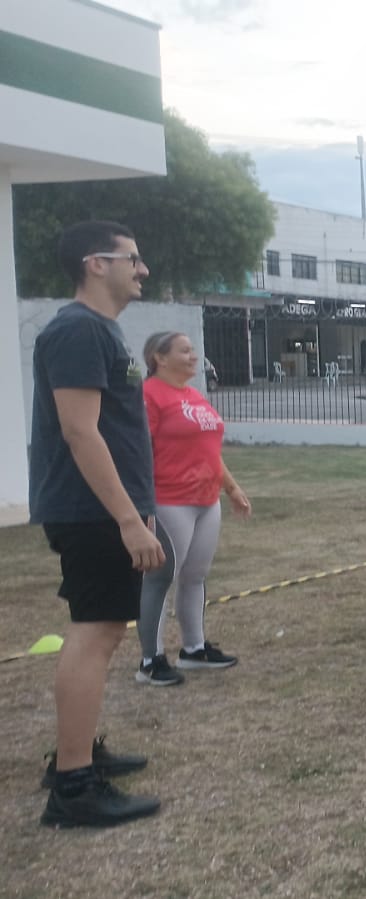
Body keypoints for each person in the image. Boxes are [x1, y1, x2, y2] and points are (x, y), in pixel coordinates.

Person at [30, 221, 164, 827]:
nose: (142, 269)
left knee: (101, 630)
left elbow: (113, 432)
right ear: (95, 264)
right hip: (91, 513)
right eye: (131, 259)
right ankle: (73, 786)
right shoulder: (79, 330)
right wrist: (127, 520)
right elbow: (80, 432)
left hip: (106, 509)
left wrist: (141, 506)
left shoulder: (97, 331)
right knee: (97, 631)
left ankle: (76, 752)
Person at [133, 331, 252, 687]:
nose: (193, 356)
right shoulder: (149, 396)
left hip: (205, 500)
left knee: (195, 576)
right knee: (160, 578)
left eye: (192, 350)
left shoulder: (194, 395)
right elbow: (138, 451)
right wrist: (140, 505)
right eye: (184, 351)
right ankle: (150, 661)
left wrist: (230, 487)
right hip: (169, 500)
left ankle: (194, 649)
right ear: (159, 357)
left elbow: (209, 451)